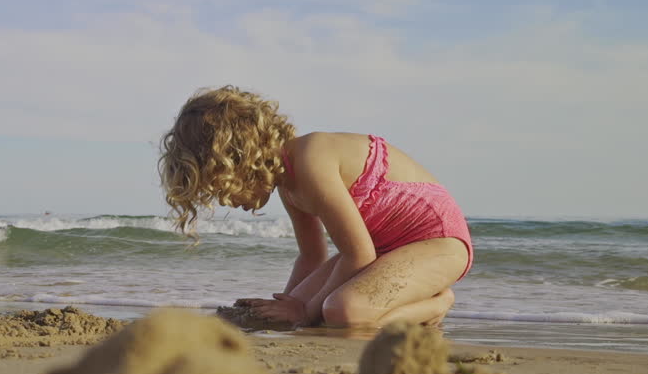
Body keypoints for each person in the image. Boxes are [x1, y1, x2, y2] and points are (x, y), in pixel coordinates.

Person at [159, 85, 472, 329]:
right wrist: (286, 306)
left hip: (437, 243)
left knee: (341, 311)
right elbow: (312, 256)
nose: (227, 200)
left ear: (242, 160)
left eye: (223, 187)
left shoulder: (311, 160)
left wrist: (304, 311)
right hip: (389, 252)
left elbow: (359, 254)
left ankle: (437, 303)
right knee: (316, 308)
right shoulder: (288, 184)